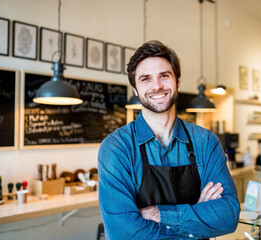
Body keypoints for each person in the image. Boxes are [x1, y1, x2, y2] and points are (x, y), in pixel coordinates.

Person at [98, 40, 239, 239]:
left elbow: (228, 215)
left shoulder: (205, 142)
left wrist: (158, 214)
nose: (157, 86)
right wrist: (195, 220)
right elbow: (125, 234)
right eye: (146, 79)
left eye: (164, 76)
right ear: (135, 90)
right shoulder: (117, 148)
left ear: (177, 82)